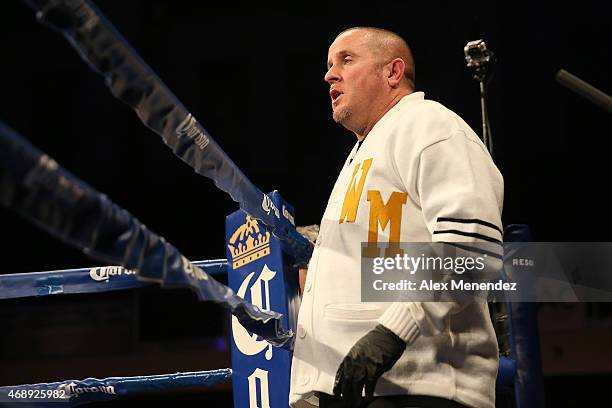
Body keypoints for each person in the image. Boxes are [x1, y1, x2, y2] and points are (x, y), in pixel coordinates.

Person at [290, 27, 503, 408]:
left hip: (419, 386)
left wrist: (391, 333)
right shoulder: (366, 150)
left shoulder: (429, 124)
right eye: (328, 65)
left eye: (346, 60)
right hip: (358, 386)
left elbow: (471, 246)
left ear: (392, 72)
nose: (329, 75)